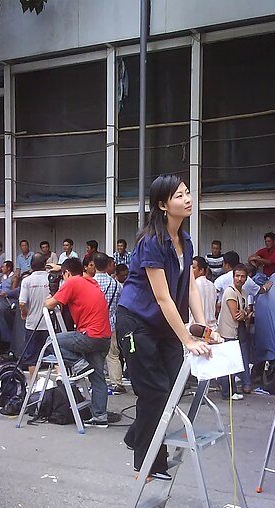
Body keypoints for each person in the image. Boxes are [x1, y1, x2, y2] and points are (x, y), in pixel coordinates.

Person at [117, 174, 219, 480]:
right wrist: (187, 338)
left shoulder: (185, 240)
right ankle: (148, 463)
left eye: (187, 193)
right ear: (163, 205)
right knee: (155, 392)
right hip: (136, 323)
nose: (187, 199)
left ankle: (136, 435)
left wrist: (202, 327)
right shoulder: (150, 242)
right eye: (179, 196)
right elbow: (162, 297)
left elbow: (188, 287)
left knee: (173, 386)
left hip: (165, 325)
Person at [45, 258, 111, 427]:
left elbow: (51, 304)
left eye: (62, 276)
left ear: (67, 274)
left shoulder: (72, 282)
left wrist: (47, 299)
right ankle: (100, 417)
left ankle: (79, 364)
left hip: (89, 335)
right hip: (104, 337)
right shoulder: (90, 281)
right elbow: (73, 270)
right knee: (98, 378)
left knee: (51, 341)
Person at [217, 264, 253, 399]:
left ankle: (232, 391)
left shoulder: (243, 292)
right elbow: (236, 315)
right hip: (228, 331)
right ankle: (227, 393)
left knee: (234, 362)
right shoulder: (230, 292)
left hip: (239, 330)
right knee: (229, 363)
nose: (239, 279)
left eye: (242, 276)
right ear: (233, 277)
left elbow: (245, 312)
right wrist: (246, 314)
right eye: (237, 276)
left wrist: (245, 313)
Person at [93, 252, 125, 394]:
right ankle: (117, 382)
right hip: (111, 323)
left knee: (93, 354)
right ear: (107, 265)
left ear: (93, 265)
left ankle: (96, 381)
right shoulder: (116, 285)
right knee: (113, 355)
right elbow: (121, 304)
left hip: (92, 324)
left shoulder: (89, 282)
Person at [19, 253, 50, 379]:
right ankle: (59, 380)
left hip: (32, 324)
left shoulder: (27, 280)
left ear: (31, 265)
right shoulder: (51, 278)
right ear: (44, 264)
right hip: (49, 324)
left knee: (31, 356)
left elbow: (22, 302)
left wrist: (24, 313)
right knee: (54, 354)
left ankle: (35, 382)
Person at [191, 256, 217, 330]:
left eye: (193, 268)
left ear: (201, 270)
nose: (190, 270)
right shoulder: (212, 285)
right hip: (212, 328)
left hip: (197, 329)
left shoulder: (193, 286)